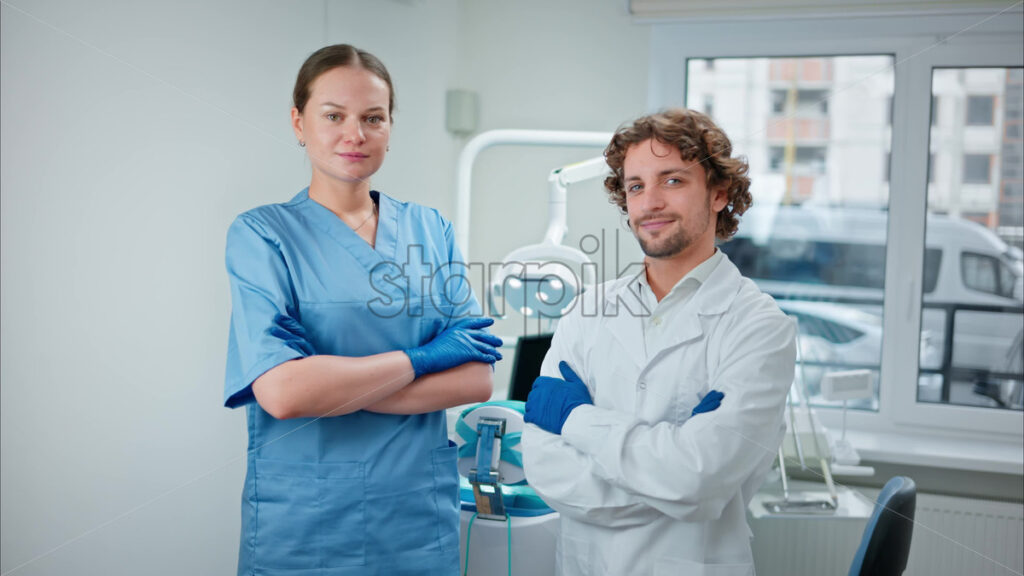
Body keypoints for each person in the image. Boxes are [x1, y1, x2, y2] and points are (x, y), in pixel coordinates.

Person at [223, 44, 501, 575]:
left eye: (373, 118)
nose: (355, 134)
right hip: (307, 525)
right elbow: (282, 394)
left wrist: (334, 387)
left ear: (390, 128)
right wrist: (423, 359)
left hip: (416, 520)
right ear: (298, 122)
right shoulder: (262, 236)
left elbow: (475, 381)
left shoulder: (429, 229)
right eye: (334, 116)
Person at [521, 108, 797, 575]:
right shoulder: (587, 311)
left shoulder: (760, 327)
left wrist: (574, 418)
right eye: (635, 186)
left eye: (672, 181)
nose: (649, 202)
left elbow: (698, 478)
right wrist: (669, 481)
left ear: (719, 193)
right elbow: (545, 466)